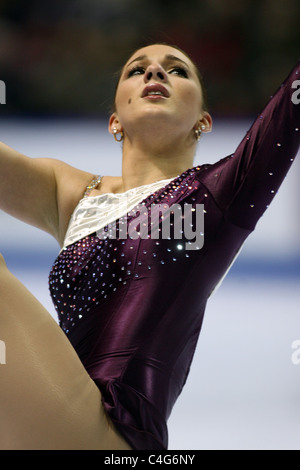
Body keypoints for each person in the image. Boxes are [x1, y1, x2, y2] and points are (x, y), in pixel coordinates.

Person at [0, 43, 299, 450]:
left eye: (177, 70)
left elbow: (290, 108)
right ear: (114, 121)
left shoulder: (218, 195)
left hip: (116, 430)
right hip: (51, 414)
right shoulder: (70, 194)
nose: (155, 72)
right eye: (136, 69)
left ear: (204, 121)